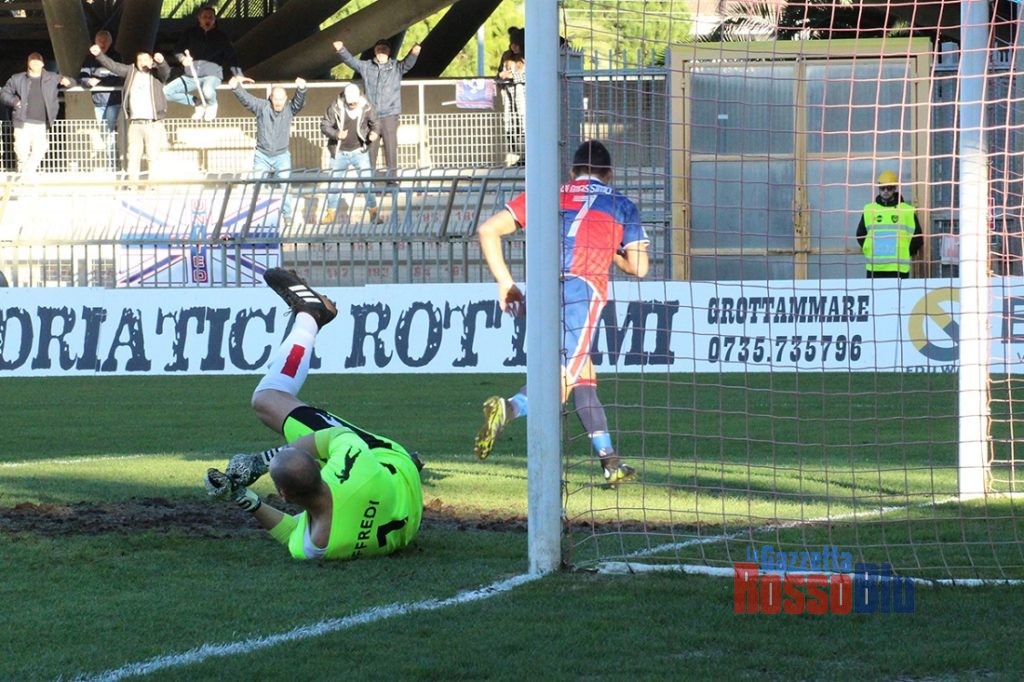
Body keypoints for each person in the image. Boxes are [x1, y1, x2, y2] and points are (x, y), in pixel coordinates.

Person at [204, 268, 424, 560]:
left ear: (284, 496)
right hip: (389, 463)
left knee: (270, 402)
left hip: (408, 508)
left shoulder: (315, 545)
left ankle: (310, 315)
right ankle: (309, 317)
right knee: (268, 400)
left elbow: (292, 530)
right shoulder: (354, 466)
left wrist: (242, 496)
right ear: (323, 470)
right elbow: (333, 436)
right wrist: (260, 462)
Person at [474, 140, 650, 484]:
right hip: (583, 289)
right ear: (609, 174)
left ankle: (610, 463)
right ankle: (509, 408)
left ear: (572, 172)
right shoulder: (621, 204)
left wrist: (505, 282)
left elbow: (487, 229)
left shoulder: (549, 195)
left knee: (583, 377)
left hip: (544, 288)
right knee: (561, 380)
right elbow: (639, 267)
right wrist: (612, 251)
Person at [333, 38, 420, 178]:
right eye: (379, 49)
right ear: (375, 51)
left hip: (390, 115)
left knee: (390, 150)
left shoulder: (396, 67)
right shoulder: (367, 66)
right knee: (370, 151)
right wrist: (341, 50)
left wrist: (414, 53)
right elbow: (352, 62)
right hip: (371, 116)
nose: (381, 52)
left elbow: (407, 64)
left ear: (389, 52)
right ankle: (368, 182)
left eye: (384, 50)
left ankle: (392, 182)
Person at [229, 76, 307, 226]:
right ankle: (254, 216)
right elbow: (247, 100)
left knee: (285, 185)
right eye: (275, 99)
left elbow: (299, 103)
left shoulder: (289, 109)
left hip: (282, 155)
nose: (278, 102)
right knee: (257, 185)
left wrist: (302, 89)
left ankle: (287, 215)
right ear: (270, 98)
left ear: (286, 99)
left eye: (281, 99)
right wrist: (236, 88)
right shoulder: (262, 107)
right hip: (262, 155)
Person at [91, 44, 171, 181]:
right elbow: (114, 66)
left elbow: (166, 72)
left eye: (145, 60)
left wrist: (162, 62)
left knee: (152, 156)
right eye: (140, 60)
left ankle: (153, 187)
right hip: (135, 124)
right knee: (133, 157)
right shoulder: (131, 71)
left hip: (153, 123)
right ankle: (133, 186)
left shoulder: (156, 74)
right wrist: (99, 55)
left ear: (151, 61)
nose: (143, 63)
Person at [165, 5, 246, 121]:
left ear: (214, 19)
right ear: (199, 19)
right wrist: (183, 59)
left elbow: (232, 56)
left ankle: (212, 105)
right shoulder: (190, 33)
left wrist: (238, 74)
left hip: (212, 75)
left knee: (207, 91)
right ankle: (198, 103)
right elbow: (177, 50)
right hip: (191, 75)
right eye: (204, 17)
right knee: (166, 92)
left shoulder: (221, 37)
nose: (207, 20)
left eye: (210, 17)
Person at [0, 52, 73, 174]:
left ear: (43, 64)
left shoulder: (52, 78)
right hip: (22, 122)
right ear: (28, 63)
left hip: (41, 123)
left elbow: (72, 82)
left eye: (38, 61)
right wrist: (14, 101)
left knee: (39, 150)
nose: (35, 63)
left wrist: (68, 81)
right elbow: (4, 93)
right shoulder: (17, 78)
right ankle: (25, 180)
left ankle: (26, 175)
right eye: (32, 60)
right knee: (21, 152)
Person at [321, 83, 381, 223]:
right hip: (339, 152)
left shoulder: (367, 107)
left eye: (354, 103)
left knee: (367, 182)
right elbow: (324, 125)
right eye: (350, 103)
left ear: (359, 97)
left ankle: (373, 212)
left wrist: (374, 133)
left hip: (359, 151)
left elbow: (376, 123)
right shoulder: (336, 106)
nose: (352, 105)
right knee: (334, 183)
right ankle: (330, 213)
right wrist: (336, 134)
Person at [856, 170, 923, 279]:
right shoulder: (869, 210)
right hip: (875, 268)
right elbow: (860, 235)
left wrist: (904, 252)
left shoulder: (907, 211)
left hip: (898, 268)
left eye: (889, 188)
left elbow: (918, 238)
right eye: (882, 188)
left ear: (895, 188)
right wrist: (869, 249)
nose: (885, 191)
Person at [78, 30, 123, 170]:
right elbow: (82, 77)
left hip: (113, 101)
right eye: (100, 40)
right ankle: (113, 162)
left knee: (110, 132)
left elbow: (118, 76)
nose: (103, 43)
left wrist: (99, 80)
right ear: (95, 42)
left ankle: (113, 164)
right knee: (105, 133)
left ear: (110, 42)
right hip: (98, 102)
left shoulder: (116, 57)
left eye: (105, 40)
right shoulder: (89, 59)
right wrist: (88, 82)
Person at [496, 27, 525, 167]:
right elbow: (498, 75)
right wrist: (501, 76)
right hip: (508, 97)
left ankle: (525, 155)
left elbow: (533, 76)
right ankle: (515, 155)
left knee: (524, 125)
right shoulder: (506, 56)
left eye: (517, 44)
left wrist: (513, 76)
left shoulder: (530, 56)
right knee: (510, 125)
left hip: (524, 98)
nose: (514, 47)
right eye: (512, 43)